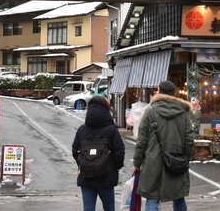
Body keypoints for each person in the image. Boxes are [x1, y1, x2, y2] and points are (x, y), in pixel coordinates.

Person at [133, 80, 195, 211]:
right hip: (177, 159)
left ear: (159, 92)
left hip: (152, 161)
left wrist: (137, 163)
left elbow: (141, 141)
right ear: (174, 93)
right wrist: (186, 158)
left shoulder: (150, 111)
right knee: (178, 196)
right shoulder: (183, 112)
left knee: (152, 197)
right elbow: (189, 139)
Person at [72, 95, 125, 211]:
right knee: (109, 207)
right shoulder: (111, 130)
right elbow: (120, 151)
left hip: (86, 176)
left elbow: (75, 150)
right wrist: (114, 166)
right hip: (106, 176)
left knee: (88, 208)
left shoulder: (82, 129)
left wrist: (83, 164)